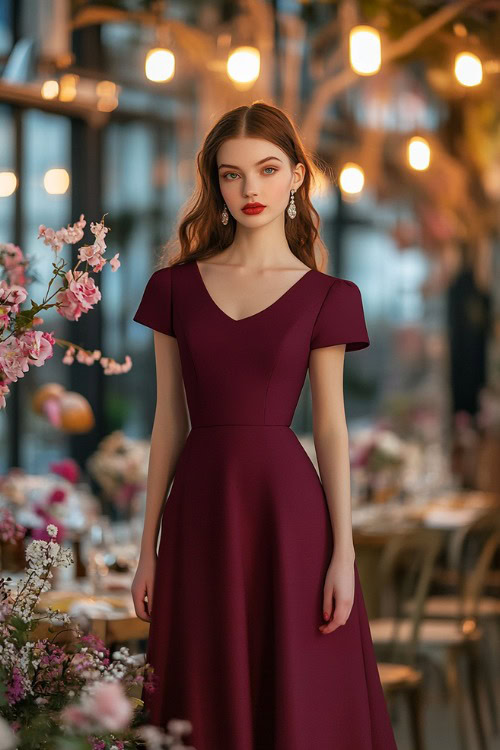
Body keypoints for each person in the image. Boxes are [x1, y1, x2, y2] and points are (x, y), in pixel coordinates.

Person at [132, 101, 398, 750]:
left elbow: (331, 430)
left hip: (292, 521)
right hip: (198, 514)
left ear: (297, 177)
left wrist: (344, 550)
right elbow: (169, 421)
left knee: (298, 703)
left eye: (267, 169)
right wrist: (147, 549)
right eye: (231, 174)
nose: (250, 188)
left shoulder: (331, 297)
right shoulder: (174, 288)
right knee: (202, 694)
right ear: (214, 185)